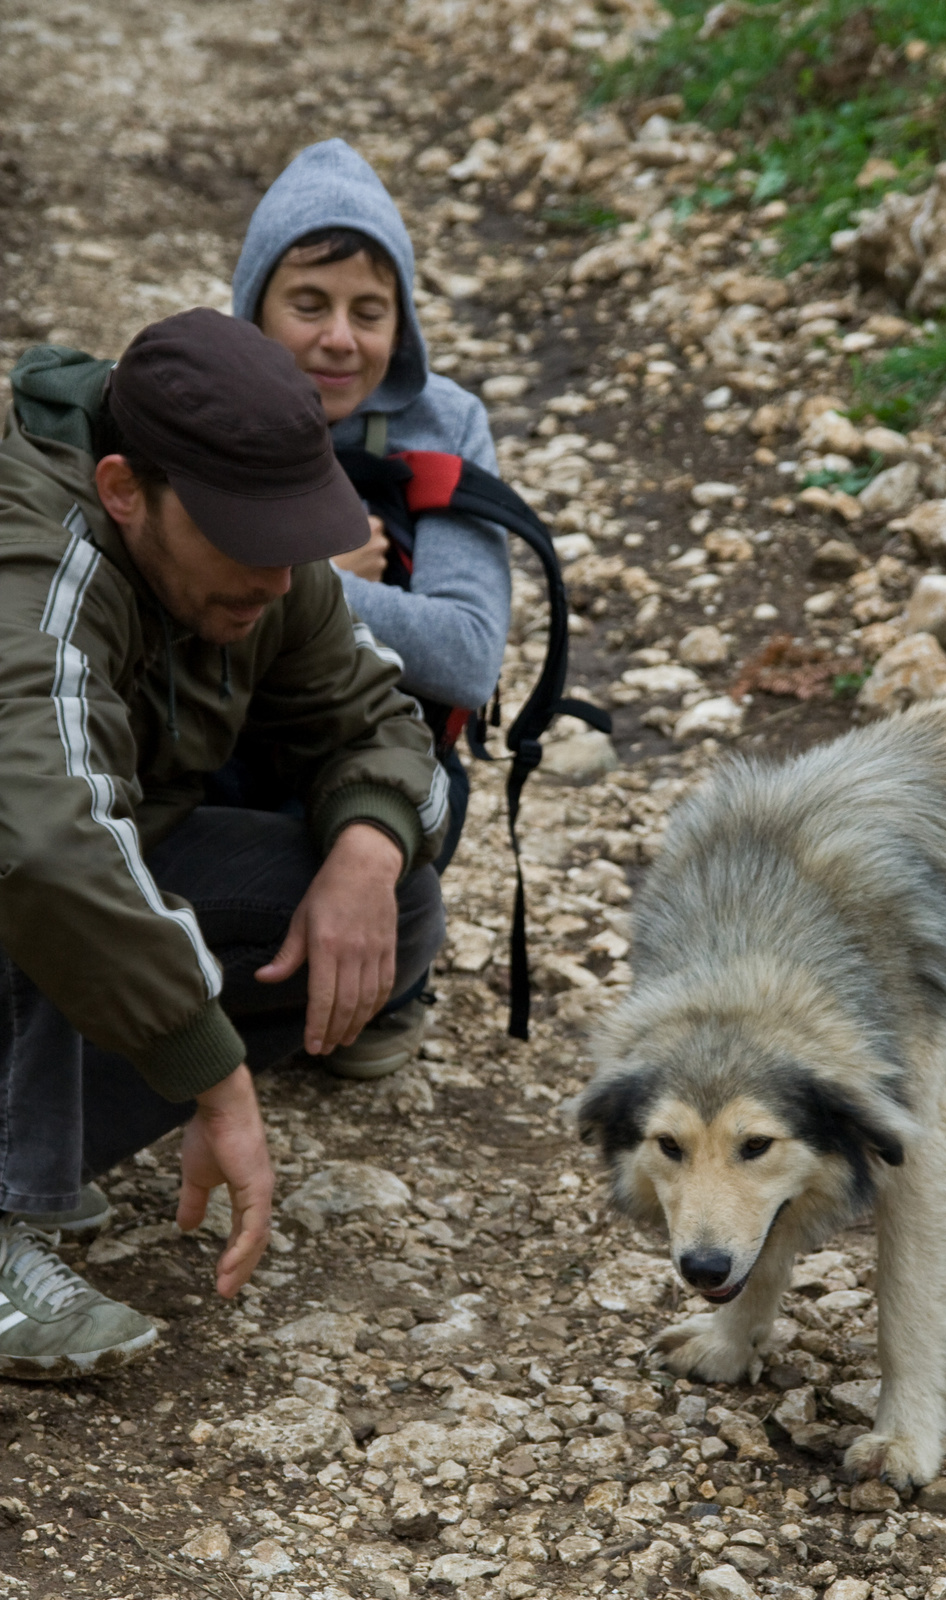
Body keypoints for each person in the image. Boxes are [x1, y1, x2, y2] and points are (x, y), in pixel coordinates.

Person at [0, 307, 448, 1375]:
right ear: (123, 491)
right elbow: (44, 837)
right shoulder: (36, 564)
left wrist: (370, 849)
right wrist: (212, 1073)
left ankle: (28, 1154)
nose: (280, 574)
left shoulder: (264, 565)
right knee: (55, 869)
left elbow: (384, 723)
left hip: (74, 846)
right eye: (249, 536)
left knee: (379, 911)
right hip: (22, 847)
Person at [230, 138, 511, 1077]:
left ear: (404, 321)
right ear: (255, 308)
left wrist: (304, 581)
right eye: (307, 305)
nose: (339, 339)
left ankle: (386, 977)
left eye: (369, 311)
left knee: (402, 827)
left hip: (384, 762)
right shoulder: (198, 401)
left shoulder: (446, 424)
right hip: (214, 744)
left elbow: (469, 655)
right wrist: (321, 569)